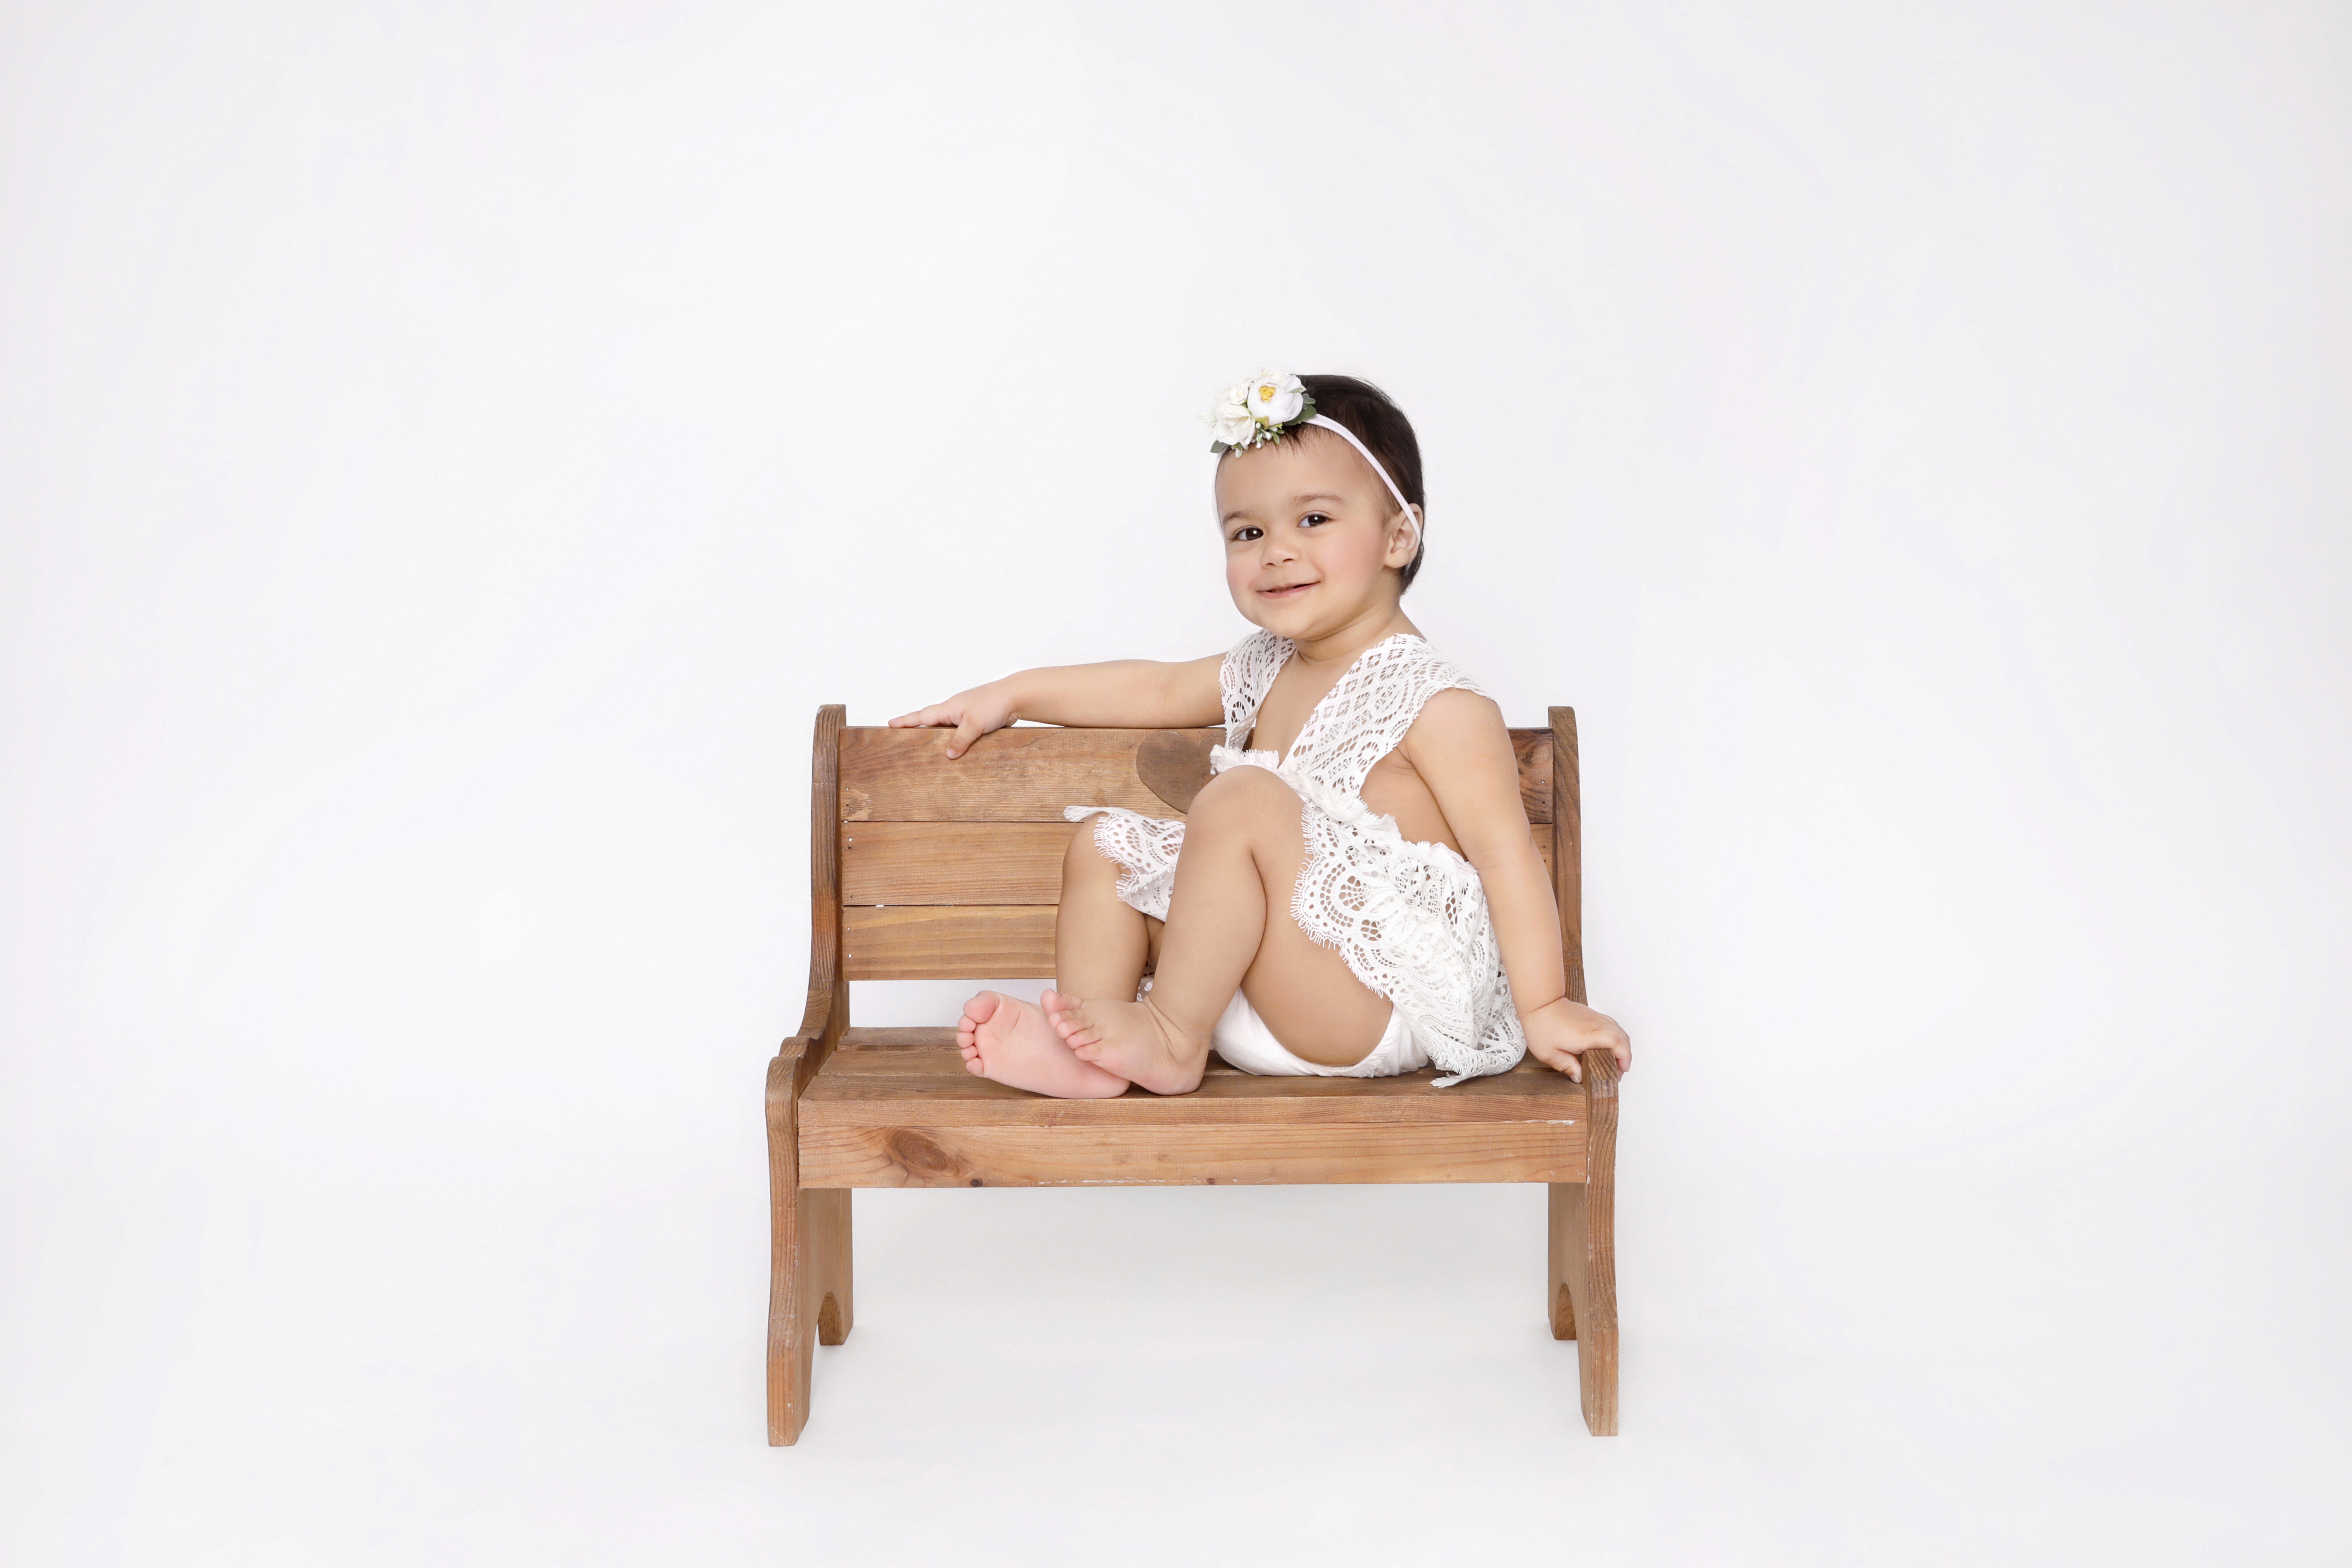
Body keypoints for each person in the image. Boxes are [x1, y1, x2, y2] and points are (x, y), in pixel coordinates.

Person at [890, 372, 1632, 1098]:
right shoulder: (1264, 666)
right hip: (1264, 985)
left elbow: (1507, 857)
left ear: (1398, 536)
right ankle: (1096, 1048)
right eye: (1248, 531)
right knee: (1106, 845)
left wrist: (1544, 1005)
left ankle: (1172, 1037)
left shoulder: (1438, 703)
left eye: (1313, 520)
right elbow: (1151, 686)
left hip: (1370, 1006)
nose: (1275, 549)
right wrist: (1010, 693)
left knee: (1245, 797)